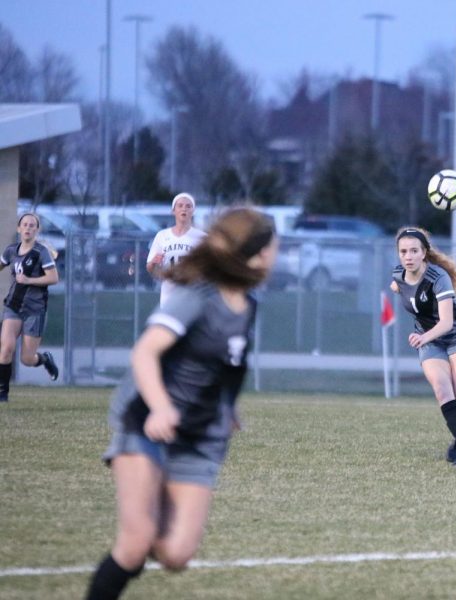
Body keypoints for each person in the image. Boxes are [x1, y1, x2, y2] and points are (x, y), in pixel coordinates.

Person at [85, 207, 278, 599]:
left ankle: (149, 512)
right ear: (255, 254)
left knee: (176, 553)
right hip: (148, 425)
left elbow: (222, 364)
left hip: (200, 437)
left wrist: (228, 409)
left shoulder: (248, 306)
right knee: (135, 542)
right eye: (274, 246)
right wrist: (159, 406)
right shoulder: (197, 296)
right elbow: (145, 353)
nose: (277, 254)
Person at [389, 226, 456, 467]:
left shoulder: (438, 277)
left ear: (424, 253)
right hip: (429, 338)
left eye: (413, 251)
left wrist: (423, 337)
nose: (408, 256)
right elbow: (400, 286)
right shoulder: (398, 275)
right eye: (403, 251)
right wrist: (396, 288)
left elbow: (447, 322)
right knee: (442, 390)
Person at [0, 213, 60, 402]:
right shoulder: (11, 250)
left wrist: (29, 280)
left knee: (26, 359)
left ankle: (45, 360)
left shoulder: (41, 252)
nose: (28, 228)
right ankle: (3, 393)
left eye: (32, 225)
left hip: (35, 310)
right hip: (13, 306)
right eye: (24, 224)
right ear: (19, 228)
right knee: (6, 348)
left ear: (36, 230)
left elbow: (53, 278)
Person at [146, 192, 207, 306]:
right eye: (180, 205)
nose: (184, 209)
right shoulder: (162, 236)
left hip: (192, 295)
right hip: (169, 295)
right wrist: (154, 263)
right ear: (173, 210)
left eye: (188, 206)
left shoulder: (202, 237)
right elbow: (150, 268)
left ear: (193, 211)